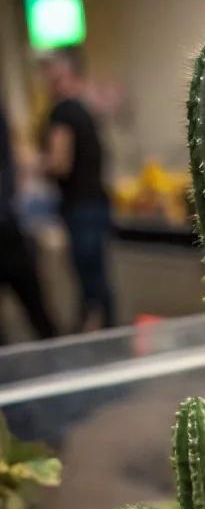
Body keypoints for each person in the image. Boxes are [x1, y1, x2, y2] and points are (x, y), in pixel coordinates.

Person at [40, 49, 115, 331]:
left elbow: (60, 162)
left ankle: (92, 340)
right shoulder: (85, 110)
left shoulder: (62, 112)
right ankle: (110, 333)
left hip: (79, 207)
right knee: (100, 278)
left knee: (89, 282)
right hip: (97, 202)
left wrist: (32, 165)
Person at [0, 103, 57, 344]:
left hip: (7, 232)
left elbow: (8, 166)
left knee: (38, 311)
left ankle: (57, 360)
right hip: (8, 226)